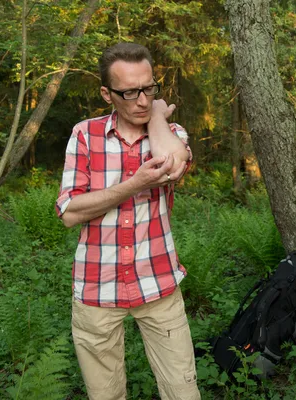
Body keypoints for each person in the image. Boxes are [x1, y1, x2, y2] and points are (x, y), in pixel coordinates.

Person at [55, 42, 200, 400]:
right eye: (129, 92)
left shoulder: (170, 132)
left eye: (149, 89)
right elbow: (70, 212)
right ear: (107, 93)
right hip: (96, 288)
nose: (142, 100)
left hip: (159, 284)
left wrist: (156, 117)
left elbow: (175, 162)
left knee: (183, 392)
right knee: (105, 395)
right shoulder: (85, 134)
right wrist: (135, 184)